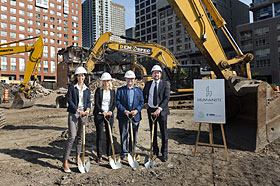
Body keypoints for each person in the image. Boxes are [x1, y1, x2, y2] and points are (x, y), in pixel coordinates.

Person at [62, 66, 91, 173]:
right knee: (72, 137)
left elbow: (88, 101)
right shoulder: (72, 88)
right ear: (76, 77)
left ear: (84, 77)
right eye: (79, 76)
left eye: (82, 76)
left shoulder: (87, 89)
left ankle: (78, 157)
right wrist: (78, 111)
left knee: (81, 137)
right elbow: (69, 100)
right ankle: (65, 162)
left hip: (84, 114)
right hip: (74, 113)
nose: (81, 78)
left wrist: (87, 109)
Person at [143, 65, 170, 162]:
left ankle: (164, 152)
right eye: (154, 72)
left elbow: (166, 98)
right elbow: (144, 94)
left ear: (160, 74)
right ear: (152, 74)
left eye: (158, 72)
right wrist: (145, 103)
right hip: (151, 111)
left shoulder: (165, 84)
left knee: (163, 133)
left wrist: (159, 109)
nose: (156, 74)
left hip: (161, 112)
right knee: (153, 132)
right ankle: (155, 150)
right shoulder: (148, 84)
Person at [116, 70, 144, 160]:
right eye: (128, 79)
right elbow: (117, 102)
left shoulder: (139, 91)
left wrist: (137, 110)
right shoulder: (120, 90)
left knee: (134, 135)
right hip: (124, 116)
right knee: (124, 134)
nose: (130, 80)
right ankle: (124, 152)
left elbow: (142, 102)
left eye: (132, 79)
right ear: (126, 79)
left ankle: (132, 152)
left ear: (134, 79)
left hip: (135, 116)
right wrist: (124, 111)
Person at [93, 72, 116, 164]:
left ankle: (109, 154)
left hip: (109, 115)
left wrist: (110, 111)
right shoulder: (98, 91)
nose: (106, 82)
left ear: (110, 81)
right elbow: (97, 103)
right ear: (102, 81)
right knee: (100, 135)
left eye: (108, 81)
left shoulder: (112, 91)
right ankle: (99, 156)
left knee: (109, 135)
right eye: (104, 81)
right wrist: (103, 112)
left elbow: (113, 103)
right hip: (99, 114)